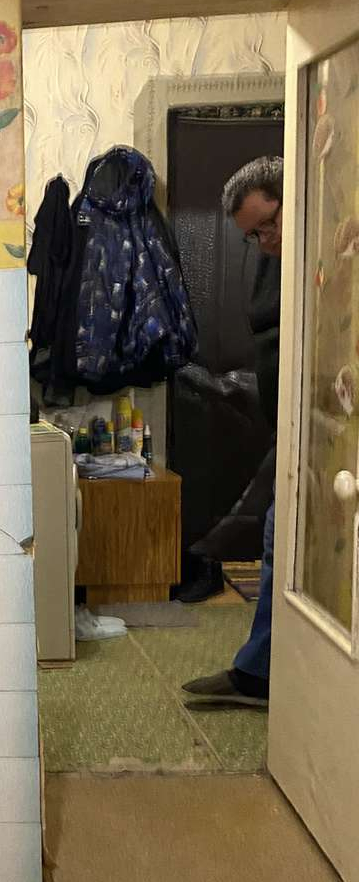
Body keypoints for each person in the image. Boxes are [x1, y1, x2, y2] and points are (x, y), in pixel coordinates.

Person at [183, 156, 282, 711]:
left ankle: (258, 674)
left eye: (267, 225)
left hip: (320, 429)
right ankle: (260, 671)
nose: (264, 242)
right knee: (275, 539)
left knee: (274, 537)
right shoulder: (277, 256)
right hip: (289, 427)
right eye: (253, 236)